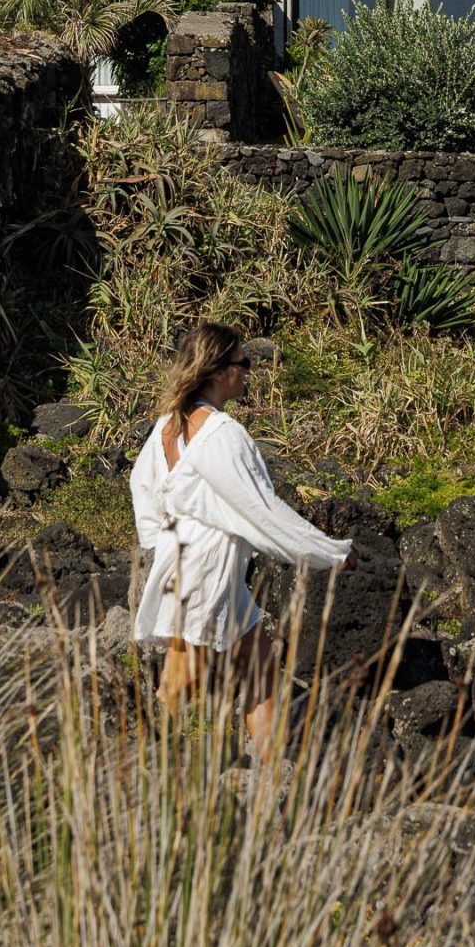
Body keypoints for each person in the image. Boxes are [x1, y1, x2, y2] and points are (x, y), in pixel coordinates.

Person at [131, 319, 351, 753]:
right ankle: (144, 764)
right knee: (182, 679)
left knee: (260, 669)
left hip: (191, 561)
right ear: (217, 371)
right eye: (242, 362)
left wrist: (161, 546)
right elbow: (262, 512)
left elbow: (144, 490)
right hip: (207, 567)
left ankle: (271, 776)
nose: (248, 370)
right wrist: (333, 554)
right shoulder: (221, 434)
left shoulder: (167, 427)